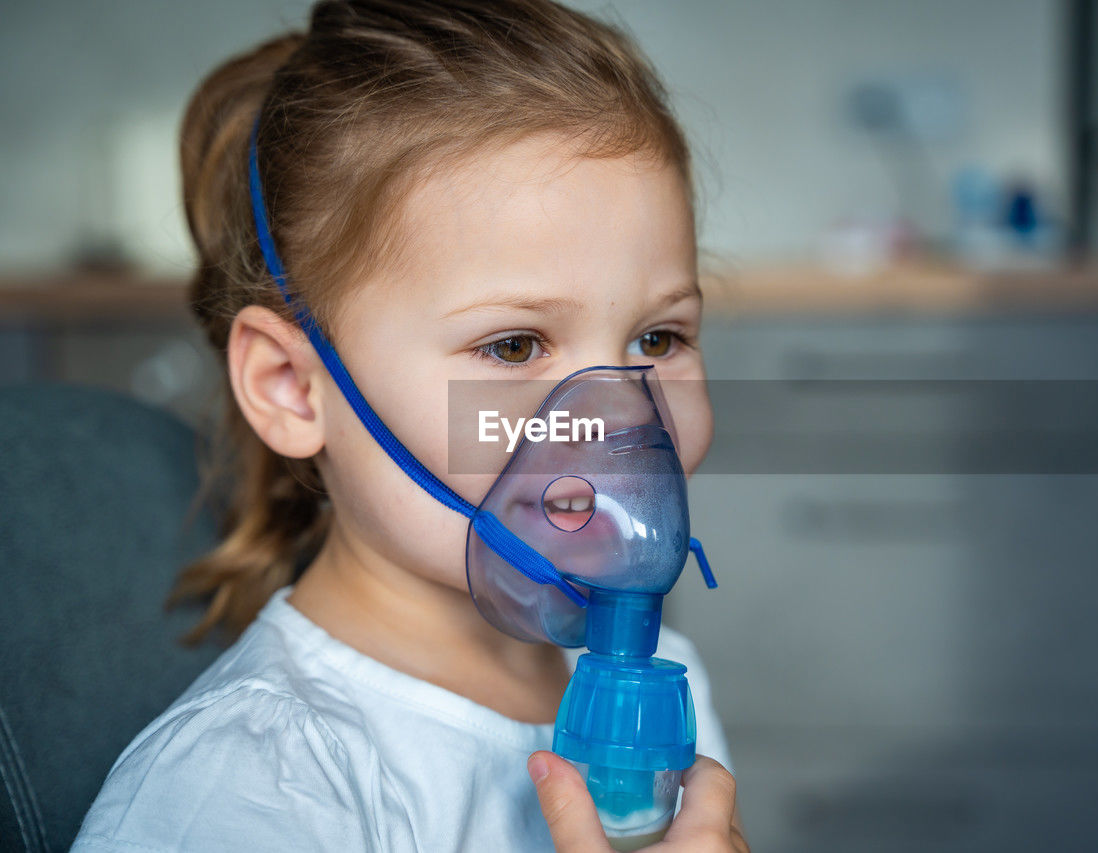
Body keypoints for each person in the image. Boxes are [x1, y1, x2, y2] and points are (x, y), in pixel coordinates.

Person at [71, 1, 746, 850]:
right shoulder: (258, 782)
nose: (616, 423)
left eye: (659, 338)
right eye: (513, 344)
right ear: (293, 386)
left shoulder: (665, 694)